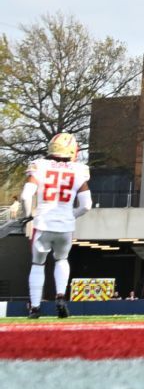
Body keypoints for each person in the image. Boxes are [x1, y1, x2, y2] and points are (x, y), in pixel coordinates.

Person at [21, 133, 92, 319]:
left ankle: (35, 307)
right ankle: (60, 296)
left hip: (43, 222)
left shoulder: (39, 165)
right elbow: (86, 205)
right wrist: (71, 215)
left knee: (38, 264)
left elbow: (25, 196)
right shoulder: (79, 170)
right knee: (61, 260)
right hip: (65, 225)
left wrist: (29, 215)